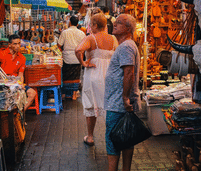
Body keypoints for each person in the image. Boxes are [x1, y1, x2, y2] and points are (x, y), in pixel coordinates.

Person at [75, 13, 118, 147]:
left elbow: (78, 50)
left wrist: (83, 63)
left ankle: (90, 136)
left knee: (91, 104)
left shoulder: (91, 38)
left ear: (94, 25)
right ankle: (111, 135)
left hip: (94, 74)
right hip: (110, 75)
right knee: (109, 105)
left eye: (90, 24)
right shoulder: (113, 39)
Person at [104, 14, 140, 171]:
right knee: (126, 139)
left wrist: (125, 98)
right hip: (119, 102)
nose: (115, 24)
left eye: (119, 22)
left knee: (112, 139)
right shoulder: (126, 45)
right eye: (115, 21)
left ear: (128, 28)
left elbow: (129, 73)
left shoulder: (126, 46)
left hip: (118, 103)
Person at [0, 34, 36, 113]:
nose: (18, 46)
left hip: (15, 83)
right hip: (3, 83)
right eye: (15, 44)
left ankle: (19, 115)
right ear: (9, 45)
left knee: (32, 93)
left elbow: (21, 74)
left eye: (19, 43)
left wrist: (21, 84)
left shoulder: (22, 58)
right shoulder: (0, 54)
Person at [58, 15, 86, 99]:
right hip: (77, 57)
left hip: (67, 58)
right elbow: (84, 46)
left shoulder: (65, 32)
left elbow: (59, 45)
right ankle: (74, 94)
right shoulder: (81, 33)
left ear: (69, 23)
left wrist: (61, 53)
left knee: (66, 76)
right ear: (77, 24)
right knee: (76, 76)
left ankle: (65, 94)